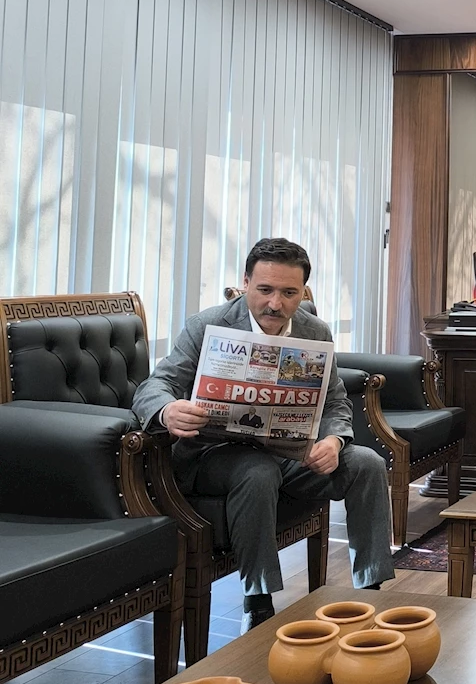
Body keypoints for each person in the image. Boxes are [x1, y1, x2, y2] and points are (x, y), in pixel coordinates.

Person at [133, 238, 395, 633]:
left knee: (367, 463)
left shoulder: (314, 331)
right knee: (257, 471)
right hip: (213, 455)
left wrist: (334, 441)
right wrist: (168, 410)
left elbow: (335, 402)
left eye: (289, 293)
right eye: (265, 289)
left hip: (286, 451)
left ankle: (371, 592)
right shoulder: (207, 325)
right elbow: (153, 386)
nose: (275, 303)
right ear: (245, 283)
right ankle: (258, 602)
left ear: (303, 291)